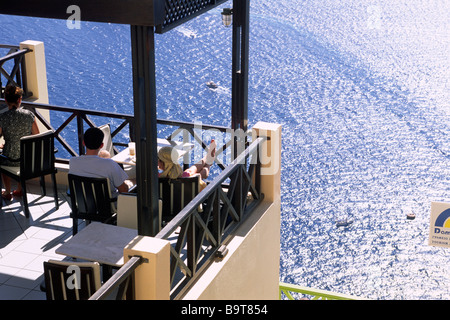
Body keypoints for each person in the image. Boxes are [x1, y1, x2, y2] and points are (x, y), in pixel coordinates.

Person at [0, 84, 40, 200]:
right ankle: (19, 189)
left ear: (6, 100)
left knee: (2, 159)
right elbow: (36, 135)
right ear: (20, 100)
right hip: (27, 160)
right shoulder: (29, 115)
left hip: (10, 159)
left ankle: (7, 192)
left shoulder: (3, 118)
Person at [69, 127, 132, 197]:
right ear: (101, 145)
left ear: (84, 143)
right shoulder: (110, 164)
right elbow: (124, 190)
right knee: (131, 183)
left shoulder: (73, 162)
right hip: (108, 206)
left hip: (84, 206)